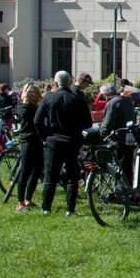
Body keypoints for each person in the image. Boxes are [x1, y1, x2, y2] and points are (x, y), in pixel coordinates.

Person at [36, 71, 92, 216]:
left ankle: (46, 207)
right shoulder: (78, 99)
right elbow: (88, 123)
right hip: (72, 140)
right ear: (70, 82)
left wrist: (45, 136)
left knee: (50, 176)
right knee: (72, 177)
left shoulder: (48, 97)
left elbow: (37, 120)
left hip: (53, 140)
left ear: (55, 83)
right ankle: (70, 209)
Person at [13, 84, 44, 212]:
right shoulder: (27, 108)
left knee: (35, 171)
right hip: (29, 141)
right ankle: (20, 202)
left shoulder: (27, 106)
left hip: (34, 141)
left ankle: (28, 199)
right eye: (38, 93)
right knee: (26, 172)